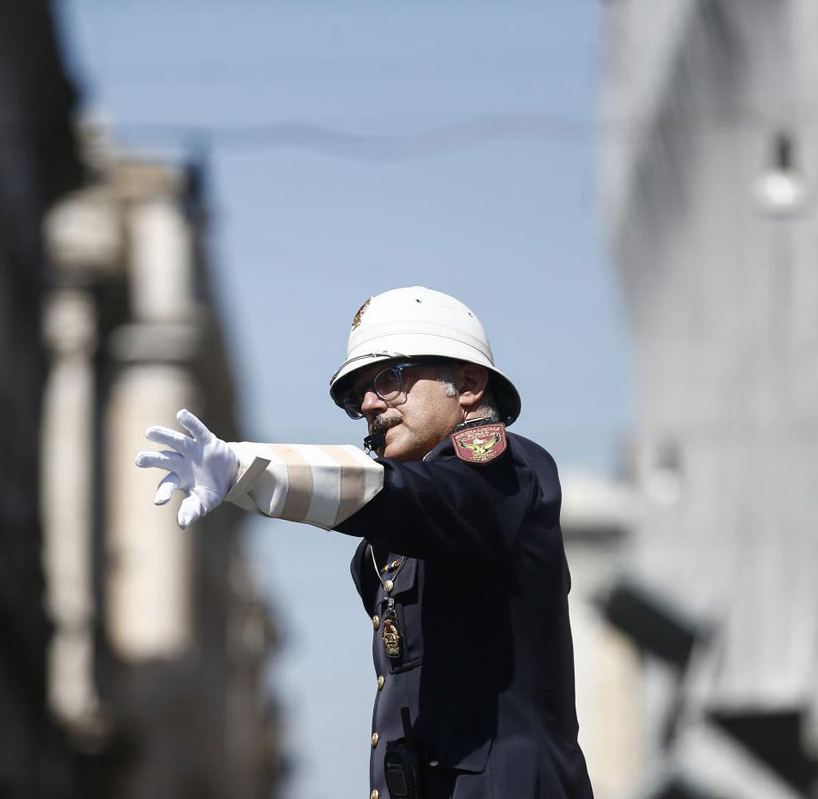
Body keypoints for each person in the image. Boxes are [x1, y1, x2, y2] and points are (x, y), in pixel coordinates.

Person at [135, 286, 593, 799]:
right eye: (359, 395)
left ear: (467, 384)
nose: (370, 404)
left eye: (390, 379)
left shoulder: (503, 472)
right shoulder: (389, 543)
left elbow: (416, 496)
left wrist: (250, 470)